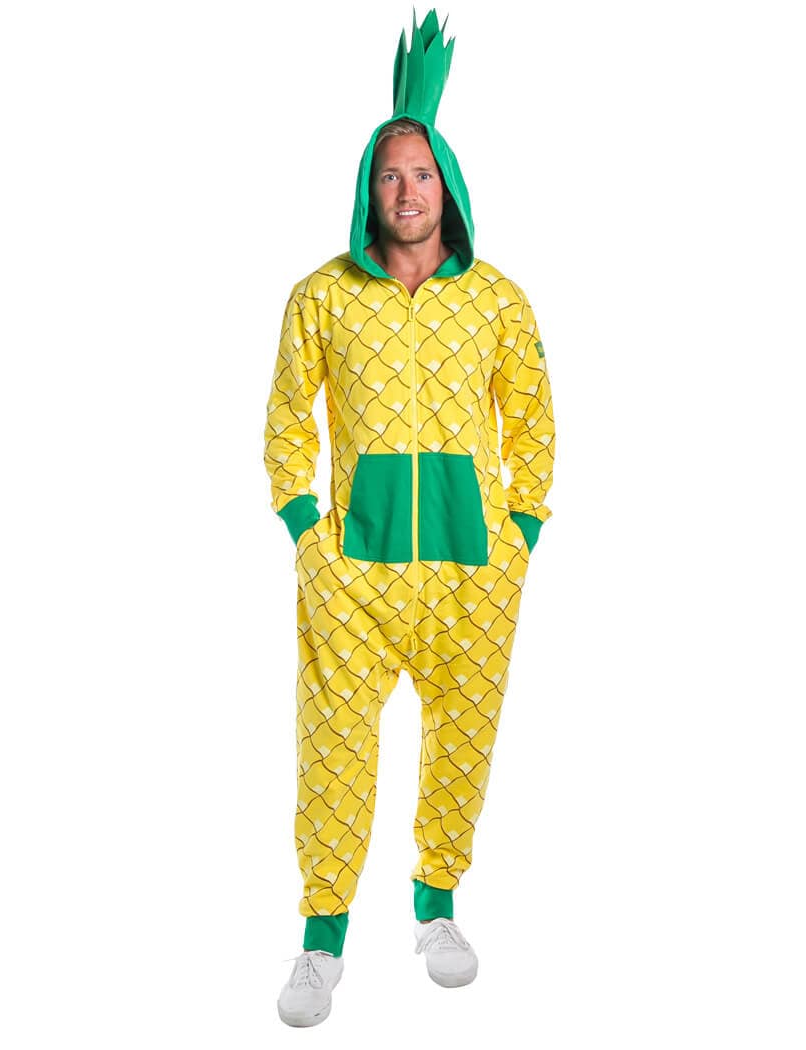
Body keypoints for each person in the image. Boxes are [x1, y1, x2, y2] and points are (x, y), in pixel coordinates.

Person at [264, 10, 555, 1027]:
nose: (406, 191)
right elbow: (285, 422)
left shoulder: (499, 302)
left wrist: (520, 534)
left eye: (421, 174)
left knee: (464, 740)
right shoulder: (322, 297)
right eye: (389, 175)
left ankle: (437, 911)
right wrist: (309, 534)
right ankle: (321, 941)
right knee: (335, 748)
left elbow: (533, 420)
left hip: (475, 570)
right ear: (367, 188)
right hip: (355, 570)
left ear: (449, 186)